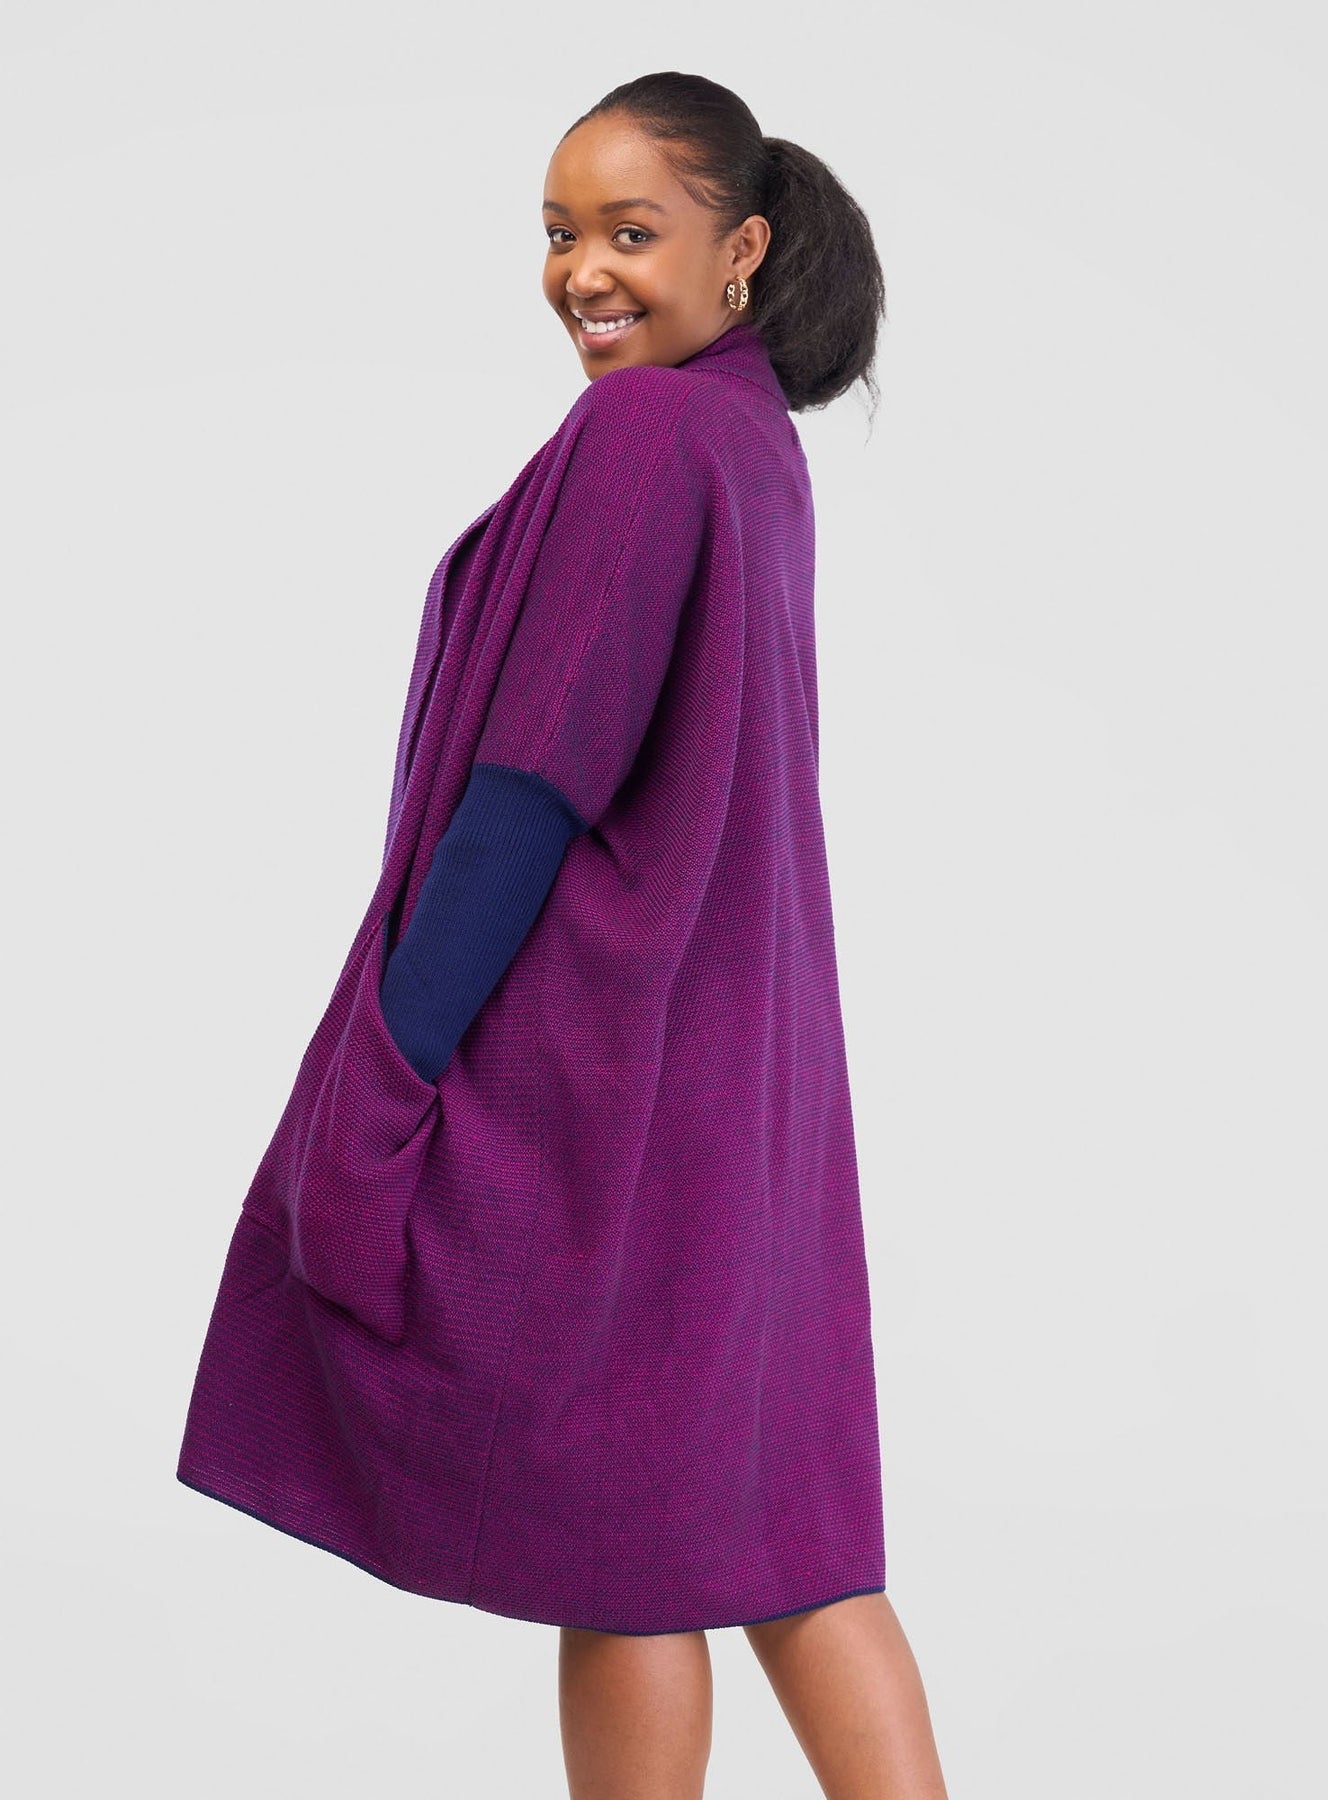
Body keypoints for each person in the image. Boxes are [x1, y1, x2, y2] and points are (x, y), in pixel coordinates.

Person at [177, 69, 949, 1800]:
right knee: (784, 1538)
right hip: (743, 1094)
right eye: (556, 233)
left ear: (742, 250)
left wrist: (387, 1075)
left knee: (627, 1550)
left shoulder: (647, 434)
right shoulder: (750, 443)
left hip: (612, 1088)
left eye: (630, 231)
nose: (582, 272)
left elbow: (529, 789)